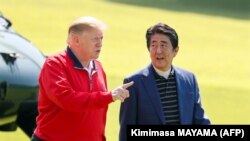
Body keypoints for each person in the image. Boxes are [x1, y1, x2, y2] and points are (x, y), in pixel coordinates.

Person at [31, 16, 133, 141]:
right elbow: (67, 100)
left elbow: (99, 114)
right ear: (76, 40)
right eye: (95, 39)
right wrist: (109, 96)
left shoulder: (98, 67)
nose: (100, 44)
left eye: (101, 38)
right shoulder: (55, 64)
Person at [119, 22, 211, 141]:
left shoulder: (189, 80)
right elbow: (126, 131)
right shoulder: (133, 83)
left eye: (163, 45)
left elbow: (200, 121)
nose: (158, 51)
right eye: (153, 45)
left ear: (175, 51)